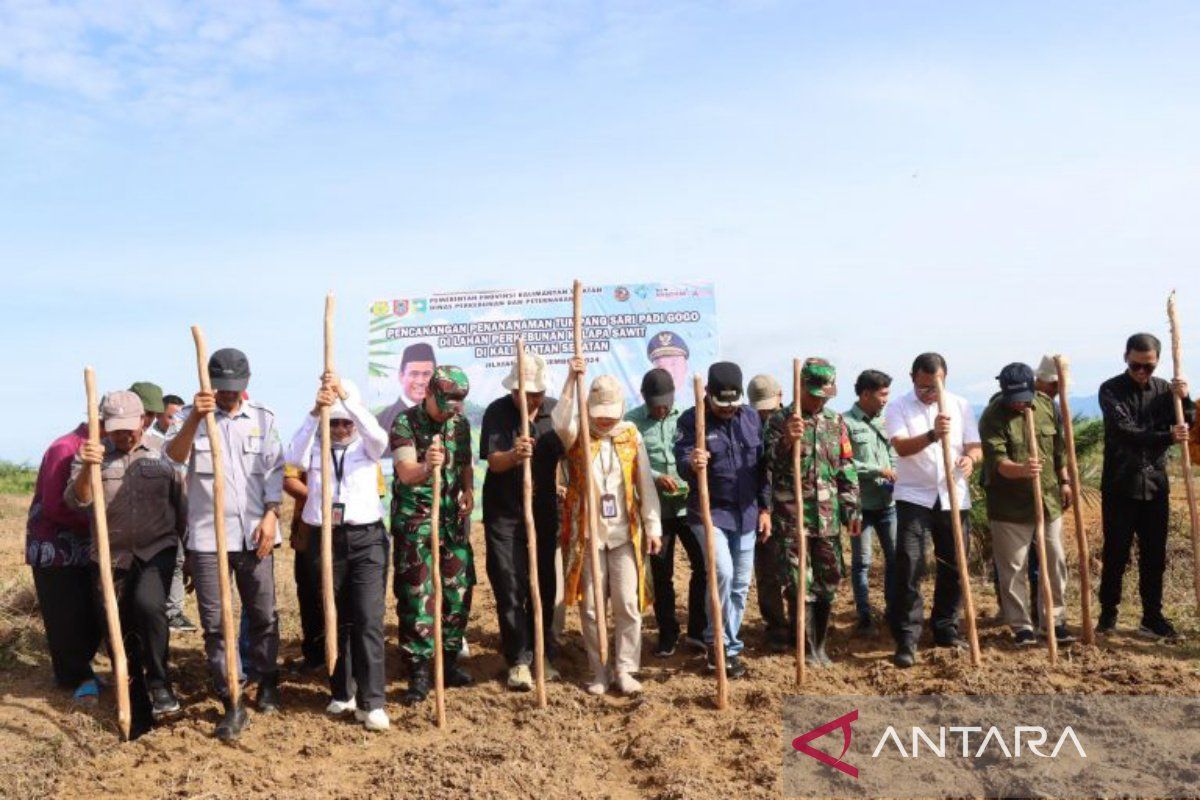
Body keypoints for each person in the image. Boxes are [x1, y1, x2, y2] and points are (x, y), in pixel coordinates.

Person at [165, 347, 284, 741]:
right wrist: (197, 417)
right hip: (206, 539)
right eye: (222, 389)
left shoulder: (263, 420)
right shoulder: (188, 418)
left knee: (263, 613)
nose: (229, 395)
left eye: (235, 388)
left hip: (256, 535)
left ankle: (267, 679)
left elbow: (274, 471)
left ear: (247, 383)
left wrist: (271, 513)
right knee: (216, 624)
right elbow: (173, 459)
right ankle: (231, 697)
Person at [66, 390, 186, 737]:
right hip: (110, 555)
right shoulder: (90, 455)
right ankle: (134, 693)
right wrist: (89, 467)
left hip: (156, 548)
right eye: (116, 429)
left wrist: (188, 551)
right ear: (104, 426)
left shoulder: (163, 452)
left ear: (143, 421)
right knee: (119, 626)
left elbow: (180, 502)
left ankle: (161, 683)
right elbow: (77, 501)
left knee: (148, 606)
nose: (125, 435)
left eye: (130, 427)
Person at [287, 374, 391, 731]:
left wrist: (349, 401)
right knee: (336, 616)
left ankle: (372, 700)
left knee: (366, 618)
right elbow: (292, 456)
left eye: (346, 420)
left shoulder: (368, 447)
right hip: (326, 539)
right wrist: (317, 412)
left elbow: (380, 436)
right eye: (336, 421)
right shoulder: (315, 447)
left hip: (366, 540)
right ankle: (342, 692)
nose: (342, 427)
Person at [556, 361, 663, 695]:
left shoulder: (630, 435)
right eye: (599, 413)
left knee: (627, 604)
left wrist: (653, 526)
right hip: (588, 536)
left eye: (610, 413)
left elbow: (644, 483)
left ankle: (626, 668)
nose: (604, 420)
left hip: (623, 535)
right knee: (591, 608)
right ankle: (599, 669)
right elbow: (559, 421)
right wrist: (571, 381)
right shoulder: (577, 434)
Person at [885, 353, 982, 668]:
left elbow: (974, 446)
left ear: (945, 377)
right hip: (914, 496)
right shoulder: (898, 406)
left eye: (934, 387)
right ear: (913, 377)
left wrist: (971, 459)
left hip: (953, 495)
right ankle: (907, 636)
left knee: (955, 564)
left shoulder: (961, 405)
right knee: (910, 564)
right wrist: (931, 436)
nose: (928, 393)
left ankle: (945, 627)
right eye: (923, 387)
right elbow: (900, 447)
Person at [675, 362, 770, 679]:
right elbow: (682, 460)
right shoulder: (692, 420)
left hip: (746, 514)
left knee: (741, 586)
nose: (728, 411)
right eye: (721, 405)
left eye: (733, 404)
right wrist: (693, 461)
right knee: (722, 574)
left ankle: (728, 647)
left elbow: (761, 470)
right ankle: (719, 644)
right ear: (707, 395)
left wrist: (765, 509)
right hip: (709, 513)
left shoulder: (751, 418)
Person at [763, 359, 860, 666]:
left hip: (827, 516)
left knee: (828, 579)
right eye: (814, 393)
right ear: (800, 386)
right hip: (793, 517)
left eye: (825, 395)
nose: (819, 400)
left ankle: (820, 645)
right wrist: (787, 442)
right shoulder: (781, 420)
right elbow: (768, 465)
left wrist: (851, 508)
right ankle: (803, 647)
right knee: (797, 582)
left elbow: (845, 467)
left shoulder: (835, 422)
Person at [1097, 333, 1193, 639]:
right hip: (1120, 485)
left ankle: (1152, 616)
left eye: (1148, 367)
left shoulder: (1165, 389)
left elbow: (1187, 422)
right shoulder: (1110, 389)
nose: (1142, 372)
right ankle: (1108, 613)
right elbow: (1126, 431)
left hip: (1155, 485)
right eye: (1137, 365)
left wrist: (1185, 398)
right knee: (1116, 553)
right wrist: (1168, 436)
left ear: (1157, 363)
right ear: (1126, 357)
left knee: (1154, 555)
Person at [479, 351, 565, 691]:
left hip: (542, 512)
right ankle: (517, 659)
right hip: (504, 514)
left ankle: (542, 652)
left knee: (543, 584)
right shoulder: (497, 412)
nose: (531, 399)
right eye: (525, 393)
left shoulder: (554, 412)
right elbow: (494, 461)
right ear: (514, 391)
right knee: (509, 584)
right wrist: (515, 455)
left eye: (537, 394)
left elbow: (567, 451)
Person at [390, 366, 475, 704]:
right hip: (417, 525)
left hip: (451, 525)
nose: (451, 411)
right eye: (446, 404)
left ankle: (449, 660)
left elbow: (465, 462)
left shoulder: (460, 425)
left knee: (457, 592)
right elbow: (406, 472)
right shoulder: (404, 423)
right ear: (429, 395)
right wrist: (428, 466)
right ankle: (419, 670)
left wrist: (468, 490)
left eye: (457, 404)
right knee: (417, 596)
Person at [979, 363, 1074, 646]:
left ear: (1034, 387)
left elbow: (1059, 451)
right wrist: (1021, 470)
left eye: (1023, 396)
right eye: (1013, 398)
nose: (1019, 403)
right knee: (1013, 567)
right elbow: (998, 462)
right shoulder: (992, 416)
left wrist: (1065, 480)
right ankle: (1022, 627)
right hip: (1010, 506)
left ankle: (1054, 621)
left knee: (1055, 562)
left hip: (1048, 502)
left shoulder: (1046, 406)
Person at [626, 368, 706, 656]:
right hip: (656, 510)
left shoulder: (687, 418)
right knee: (661, 574)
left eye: (666, 402)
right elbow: (631, 460)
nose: (661, 408)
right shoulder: (632, 424)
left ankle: (698, 631)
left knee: (705, 566)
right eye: (655, 403)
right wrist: (657, 475)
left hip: (690, 506)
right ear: (644, 398)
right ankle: (668, 633)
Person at [25, 420, 101, 702]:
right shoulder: (65, 448)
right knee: (64, 615)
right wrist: (98, 524)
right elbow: (55, 505)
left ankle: (80, 669)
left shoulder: (101, 448)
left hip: (83, 546)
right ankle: (74, 677)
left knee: (87, 611)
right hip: (54, 546)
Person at [843, 369, 899, 636]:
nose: (886, 399)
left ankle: (892, 610)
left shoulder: (886, 421)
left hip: (888, 503)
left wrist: (896, 475)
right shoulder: (845, 423)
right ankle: (864, 616)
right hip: (860, 506)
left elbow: (894, 455)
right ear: (866, 394)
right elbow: (845, 463)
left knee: (895, 559)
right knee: (862, 562)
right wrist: (877, 470)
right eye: (882, 394)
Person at [747, 373, 789, 650]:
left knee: (797, 571)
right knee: (768, 571)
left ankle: (802, 624)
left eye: (770, 410)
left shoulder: (792, 422)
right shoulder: (746, 425)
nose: (765, 416)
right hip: (761, 509)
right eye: (759, 411)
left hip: (792, 508)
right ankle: (776, 626)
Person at [282, 463, 324, 673]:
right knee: (310, 593)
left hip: (349, 528)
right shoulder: (305, 436)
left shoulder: (360, 436)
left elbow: (377, 489)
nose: (340, 427)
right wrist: (319, 498)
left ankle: (346, 661)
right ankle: (315, 656)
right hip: (309, 528)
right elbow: (289, 479)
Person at [376, 342, 437, 434]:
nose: (420, 381)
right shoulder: (380, 423)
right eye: (414, 374)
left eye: (427, 374)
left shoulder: (448, 420)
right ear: (401, 376)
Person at [646, 331, 690, 395]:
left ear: (685, 366)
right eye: (661, 367)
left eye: (673, 364)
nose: (668, 371)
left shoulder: (700, 396)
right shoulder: (646, 400)